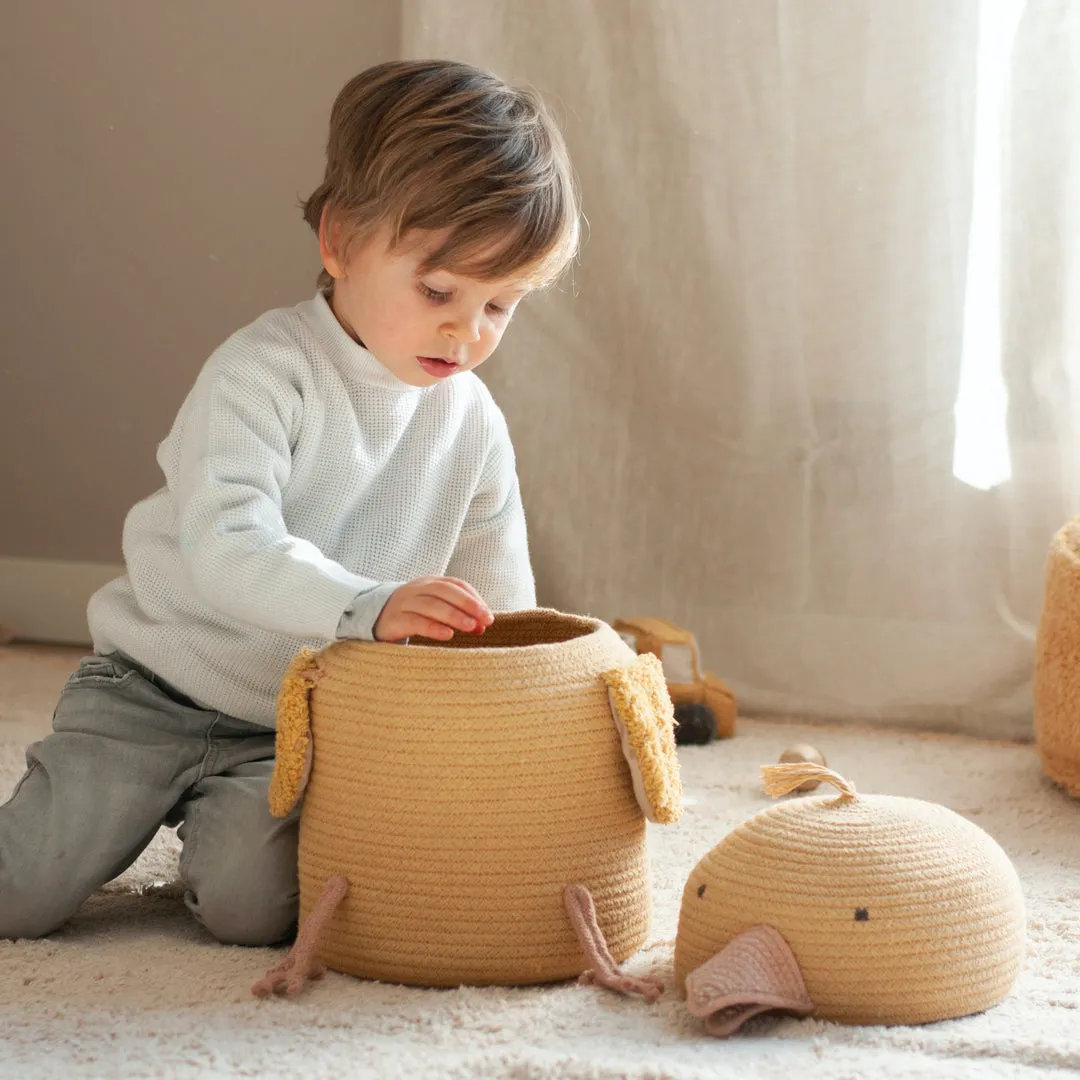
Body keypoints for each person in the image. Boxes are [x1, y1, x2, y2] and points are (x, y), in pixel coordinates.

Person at [0, 59, 580, 946]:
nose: (469, 333)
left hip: (292, 725)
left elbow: (497, 604)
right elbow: (229, 545)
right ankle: (94, 809)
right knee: (20, 893)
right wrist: (368, 605)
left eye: (501, 305)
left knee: (255, 910)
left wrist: (535, 716)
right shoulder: (262, 374)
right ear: (340, 240)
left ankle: (208, 829)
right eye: (438, 292)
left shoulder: (472, 424)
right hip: (152, 689)